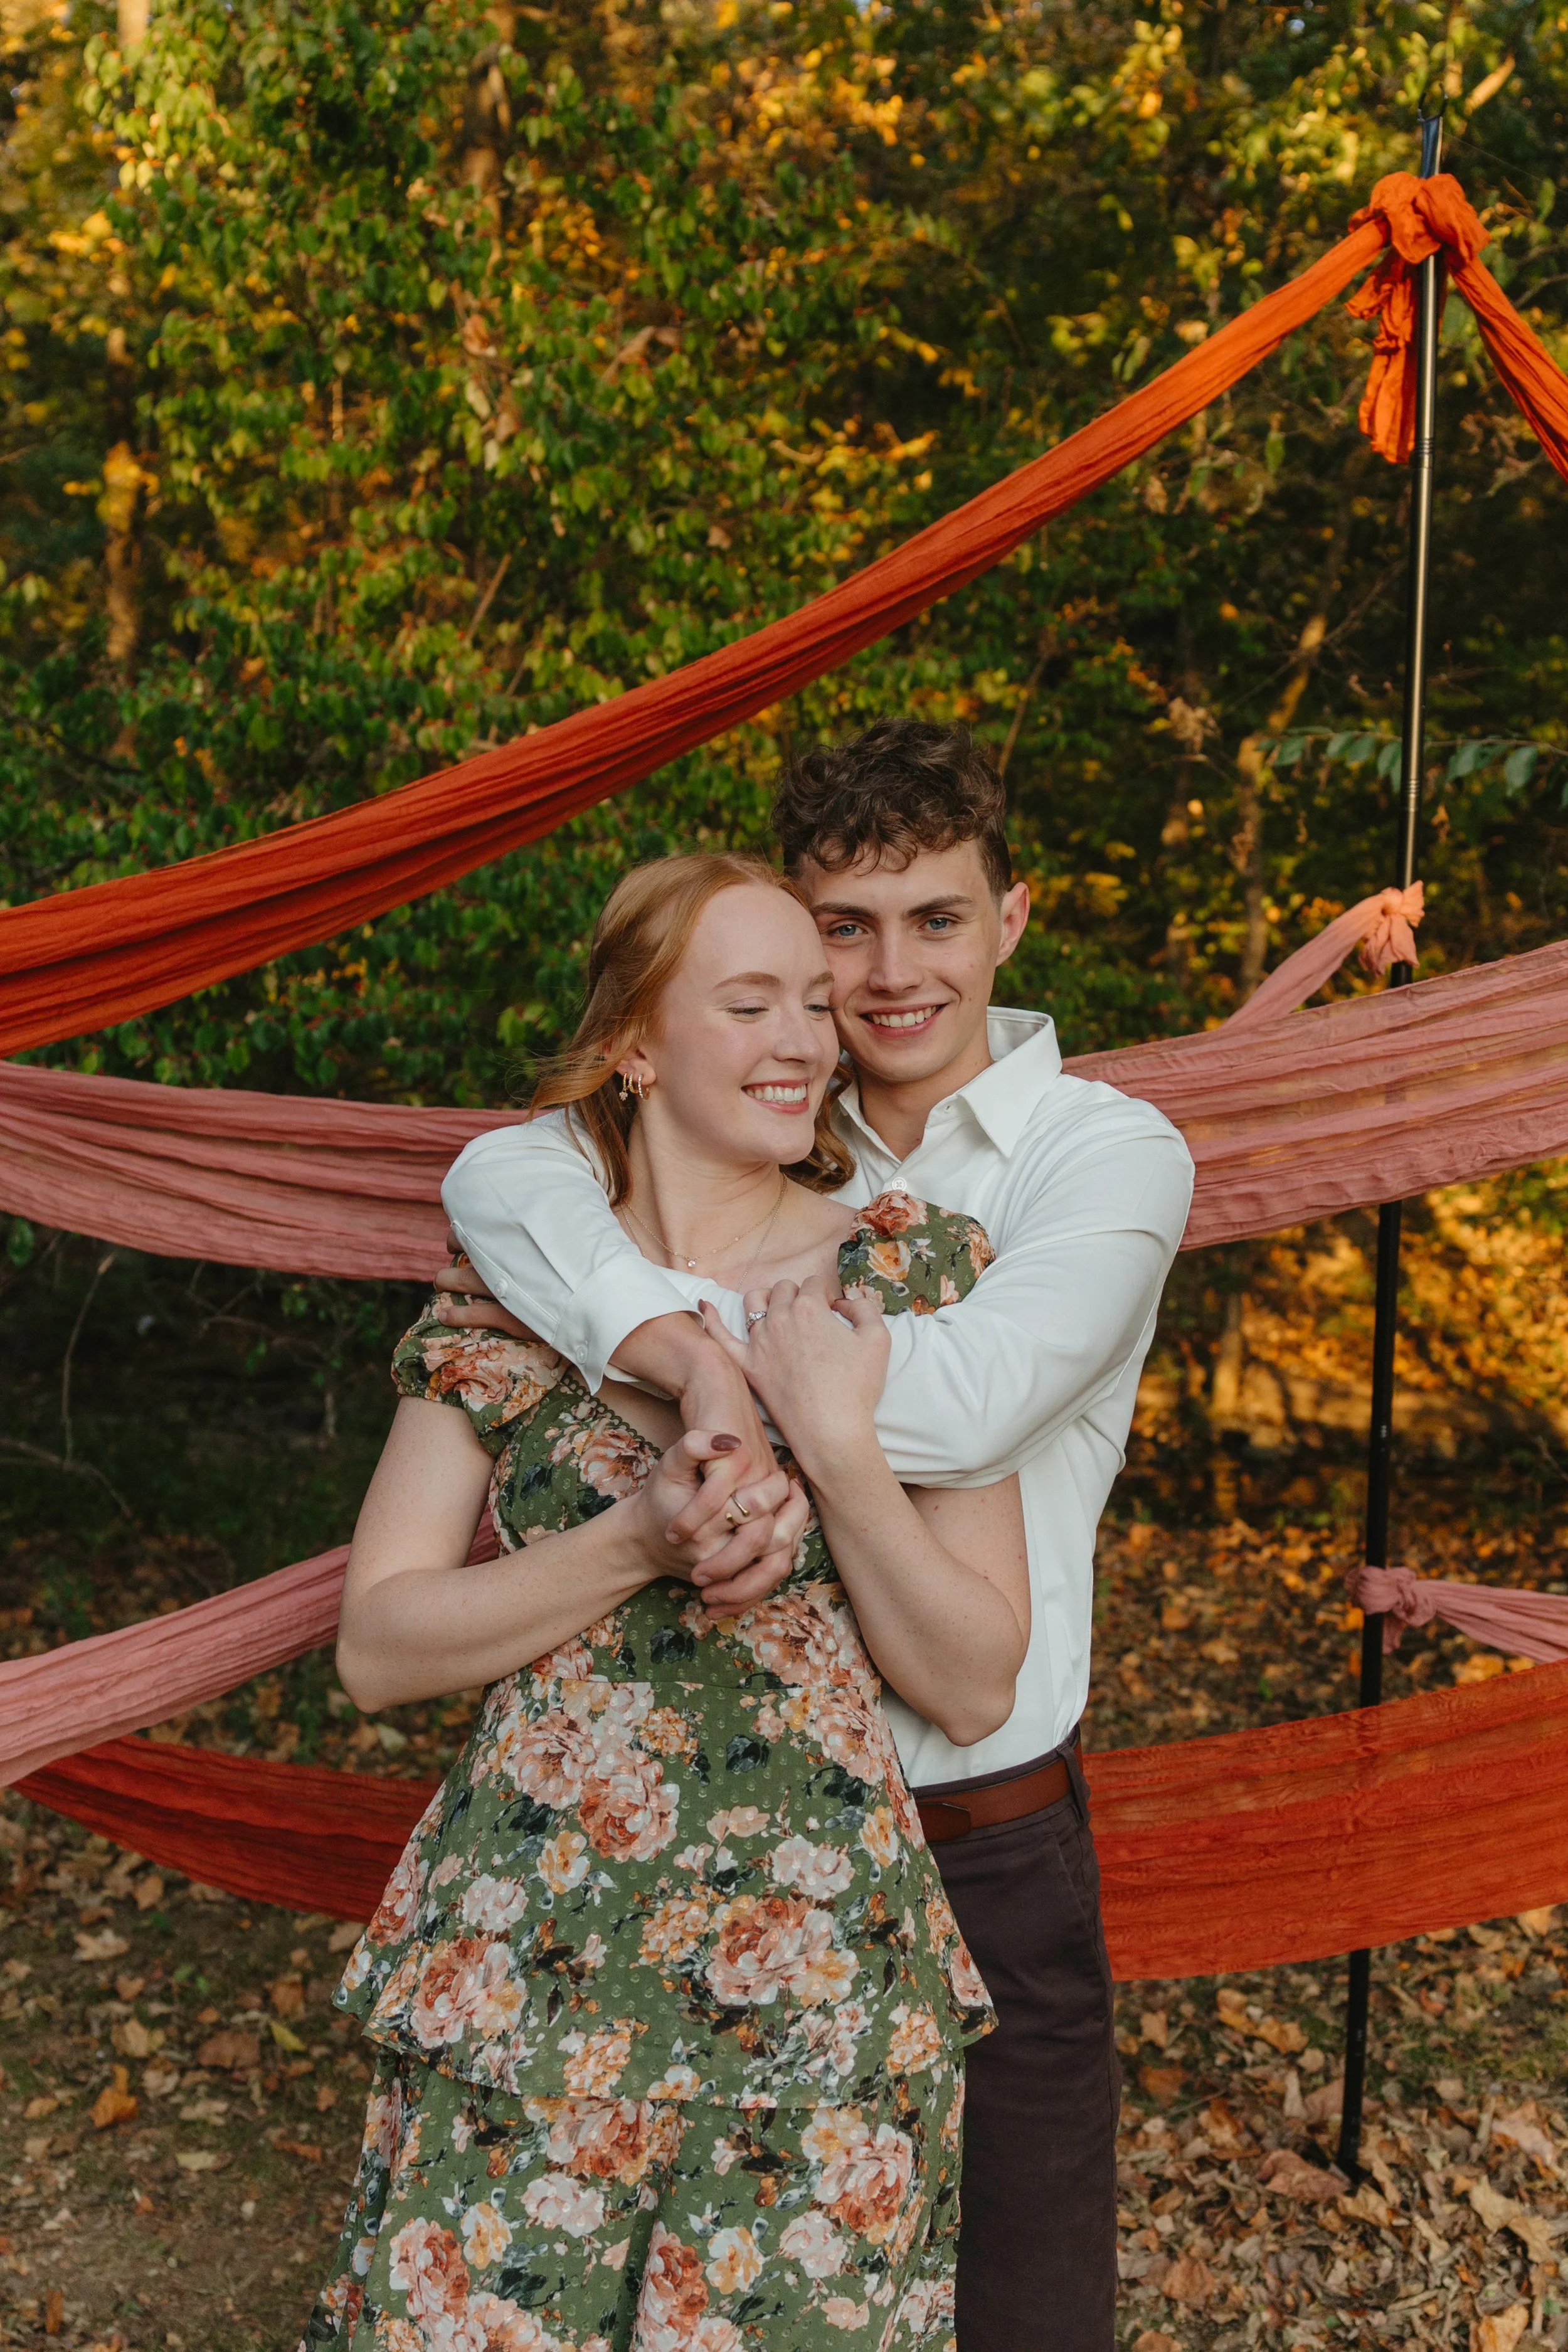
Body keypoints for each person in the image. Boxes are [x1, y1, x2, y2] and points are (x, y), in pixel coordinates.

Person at [435, 719, 1196, 2351]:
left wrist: (635, 1342)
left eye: (937, 918)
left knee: (1017, 2316)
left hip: (971, 1825)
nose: (890, 972)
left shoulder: (1105, 1152)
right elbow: (495, 1174)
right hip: (698, 1848)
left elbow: (971, 1401)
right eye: (844, 925)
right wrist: (692, 1344)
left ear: (1011, 919)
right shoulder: (760, 1102)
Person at [301, 851, 1030, 2352]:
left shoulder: (908, 1275)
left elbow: (972, 1682)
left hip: (821, 1998)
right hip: (520, 1971)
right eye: (749, 1004)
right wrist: (637, 1539)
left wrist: (834, 1450)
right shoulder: (511, 1290)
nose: (803, 1041)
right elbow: (376, 1646)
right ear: (632, 1045)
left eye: (815, 1005)